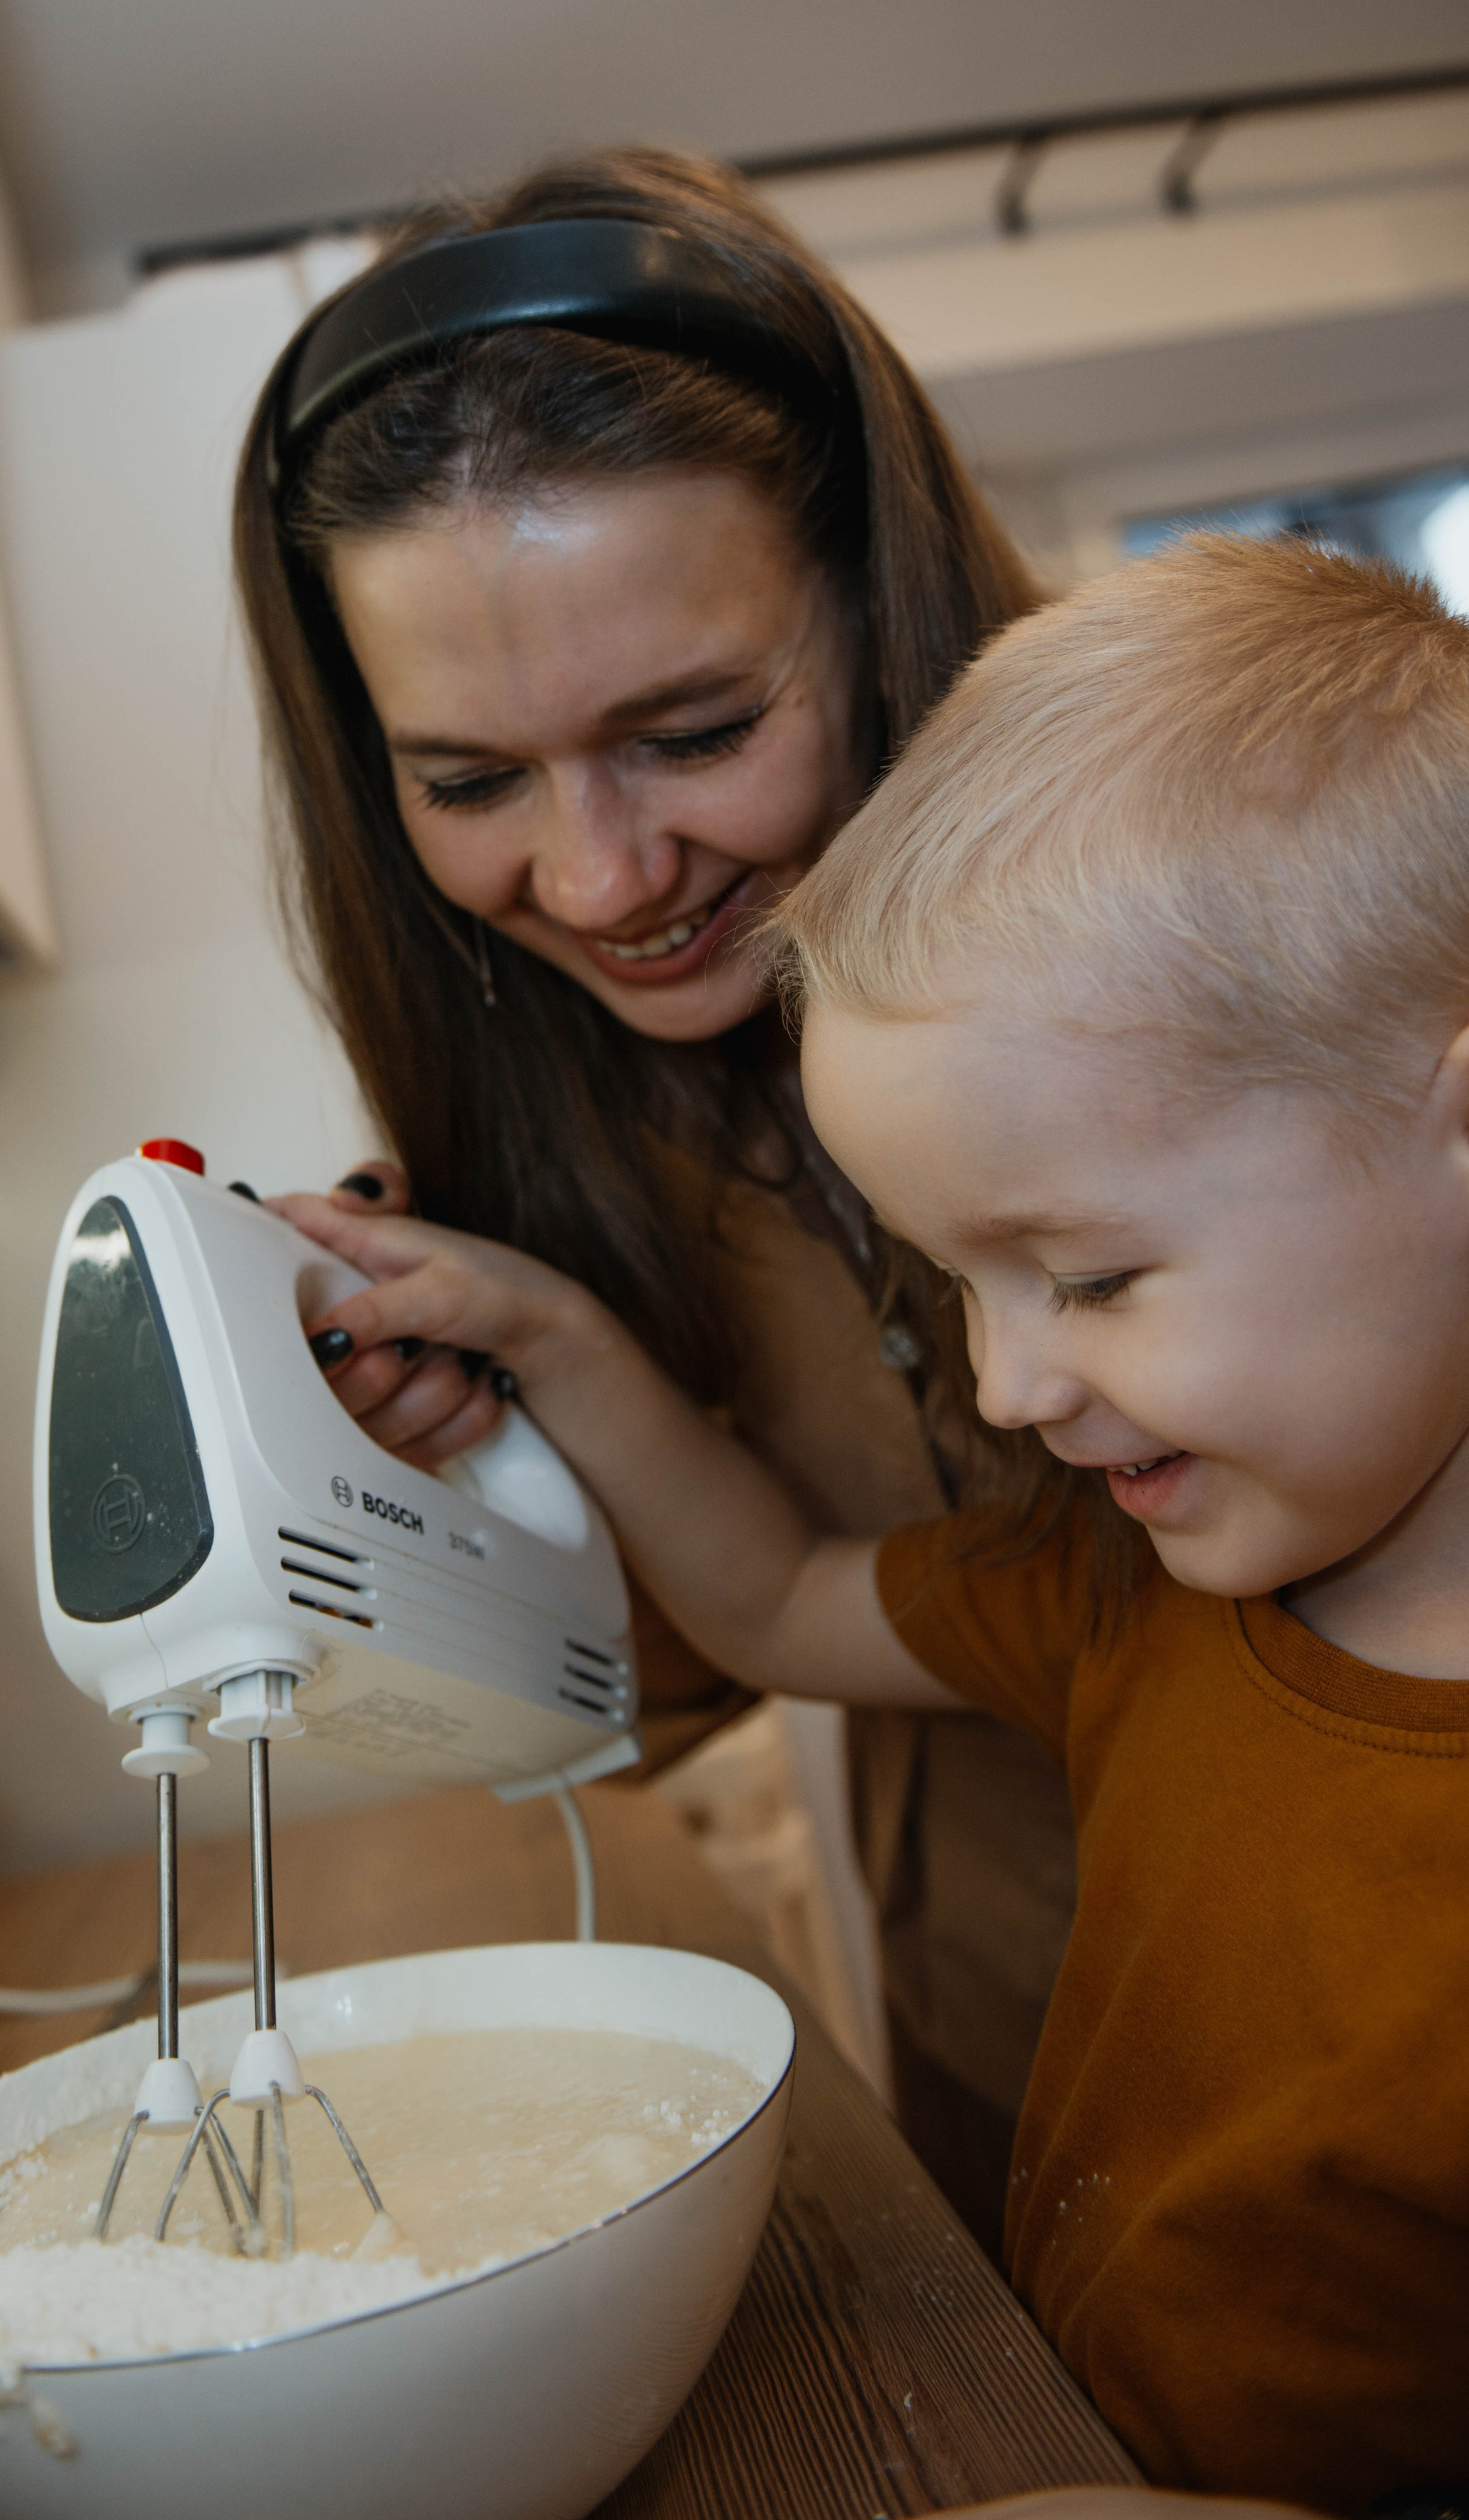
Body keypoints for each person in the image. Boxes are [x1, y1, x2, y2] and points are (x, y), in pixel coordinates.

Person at [267, 536, 1469, 2509]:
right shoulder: (1133, 1592)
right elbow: (780, 1595)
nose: (1005, 1389)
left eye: (1084, 1276)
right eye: (958, 1289)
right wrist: (550, 1334)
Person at [237, 145, 1068, 2249]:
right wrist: (486, 1490)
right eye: (470, 780)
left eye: (694, 729)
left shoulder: (1202, 918)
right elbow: (703, 1672)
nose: (601, 883)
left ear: (884, 607)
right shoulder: (549, 1113)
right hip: (1019, 2061)